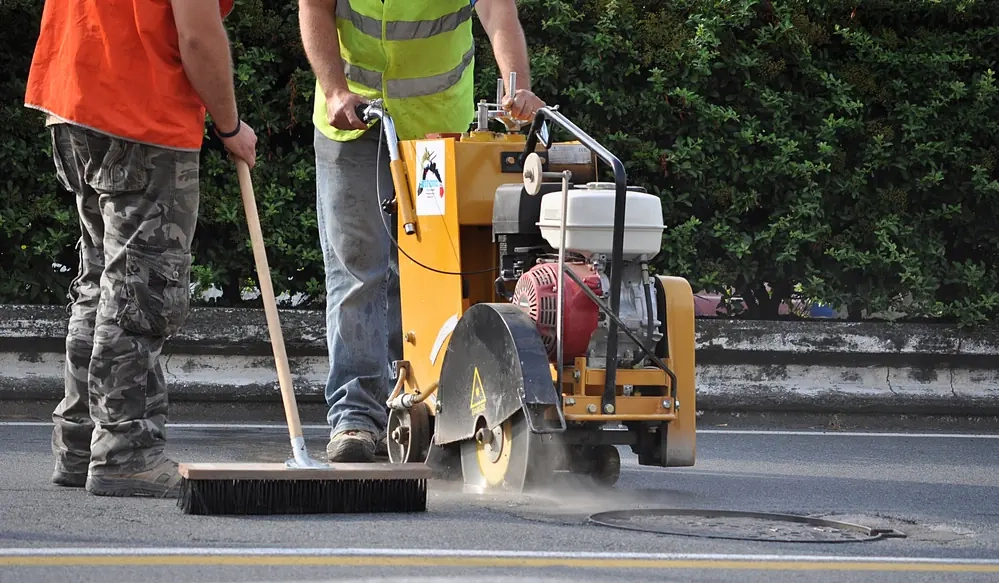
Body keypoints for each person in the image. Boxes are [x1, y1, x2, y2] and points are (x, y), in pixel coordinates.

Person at [24, 0, 258, 498]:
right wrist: (230, 125)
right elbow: (197, 35)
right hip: (140, 109)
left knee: (101, 281)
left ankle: (82, 445)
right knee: (142, 288)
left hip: (74, 98)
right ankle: (125, 453)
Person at [298, 0, 546, 462]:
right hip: (351, 123)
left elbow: (497, 11)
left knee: (434, 271)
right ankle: (355, 418)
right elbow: (314, 7)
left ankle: (429, 408)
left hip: (435, 133)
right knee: (357, 271)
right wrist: (333, 90)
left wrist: (519, 89)